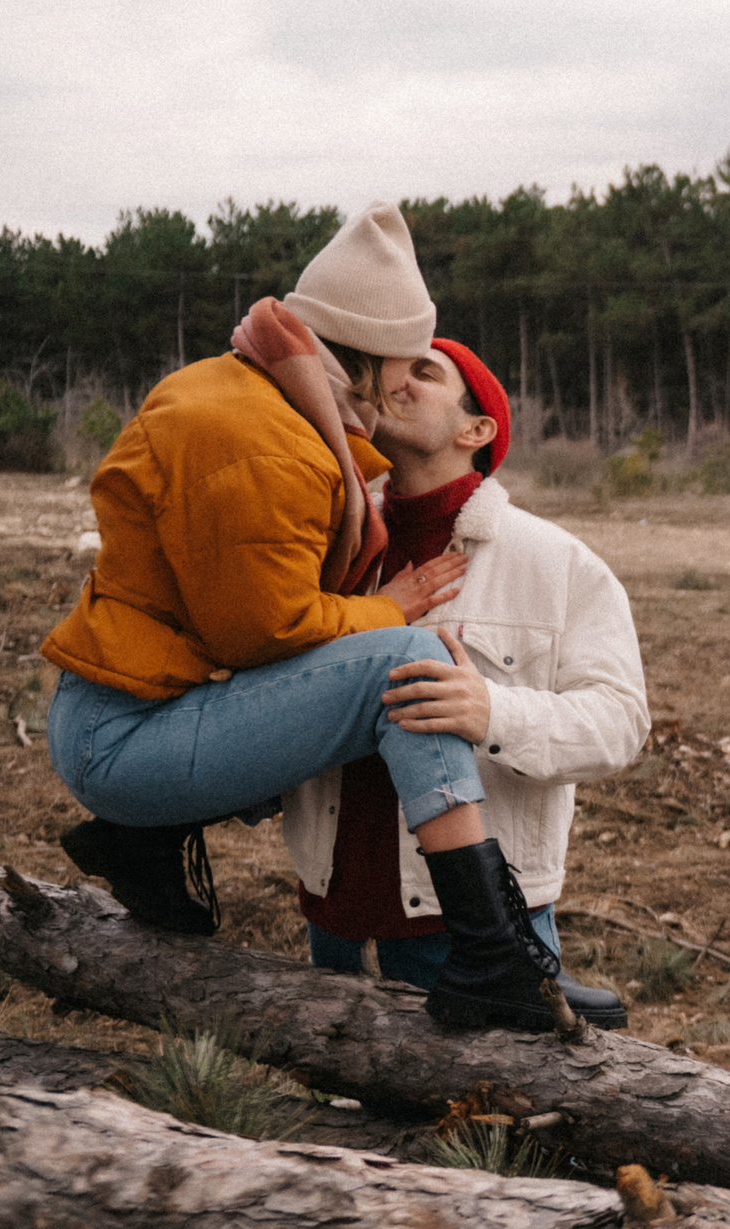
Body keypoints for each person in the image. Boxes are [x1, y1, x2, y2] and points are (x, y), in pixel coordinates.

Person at [40, 202, 566, 1034]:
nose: (404, 381)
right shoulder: (263, 438)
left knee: (381, 659)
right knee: (406, 657)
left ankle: (139, 841)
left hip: (127, 714)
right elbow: (260, 635)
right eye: (405, 360)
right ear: (369, 347)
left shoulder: (251, 394)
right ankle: (493, 951)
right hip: (123, 737)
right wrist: (382, 610)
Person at [282, 337, 648, 1029]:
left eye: (426, 373)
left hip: (474, 933)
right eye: (392, 369)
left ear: (475, 430)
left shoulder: (555, 562)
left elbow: (622, 720)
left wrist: (492, 711)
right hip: (334, 923)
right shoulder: (334, 545)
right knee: (350, 1134)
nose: (399, 381)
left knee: (511, 1134)